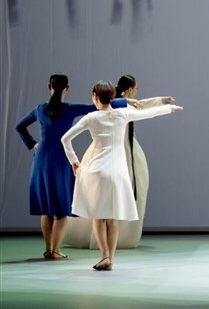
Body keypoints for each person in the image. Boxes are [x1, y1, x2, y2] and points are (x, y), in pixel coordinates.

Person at [61, 81, 182, 270]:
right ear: (112, 97)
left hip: (97, 170)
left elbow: (65, 139)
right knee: (112, 218)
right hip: (117, 171)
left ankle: (104, 256)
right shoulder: (122, 114)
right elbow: (148, 113)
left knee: (99, 217)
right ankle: (110, 259)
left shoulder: (91, 118)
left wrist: (74, 162)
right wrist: (169, 108)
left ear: (94, 96)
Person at [15, 73, 127, 260]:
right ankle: (56, 250)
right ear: (66, 88)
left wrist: (32, 144)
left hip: (42, 159)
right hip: (62, 159)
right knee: (60, 209)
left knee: (47, 209)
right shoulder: (69, 109)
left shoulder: (40, 109)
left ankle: (48, 249)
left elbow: (20, 126)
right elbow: (98, 106)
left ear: (49, 87)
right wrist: (125, 101)